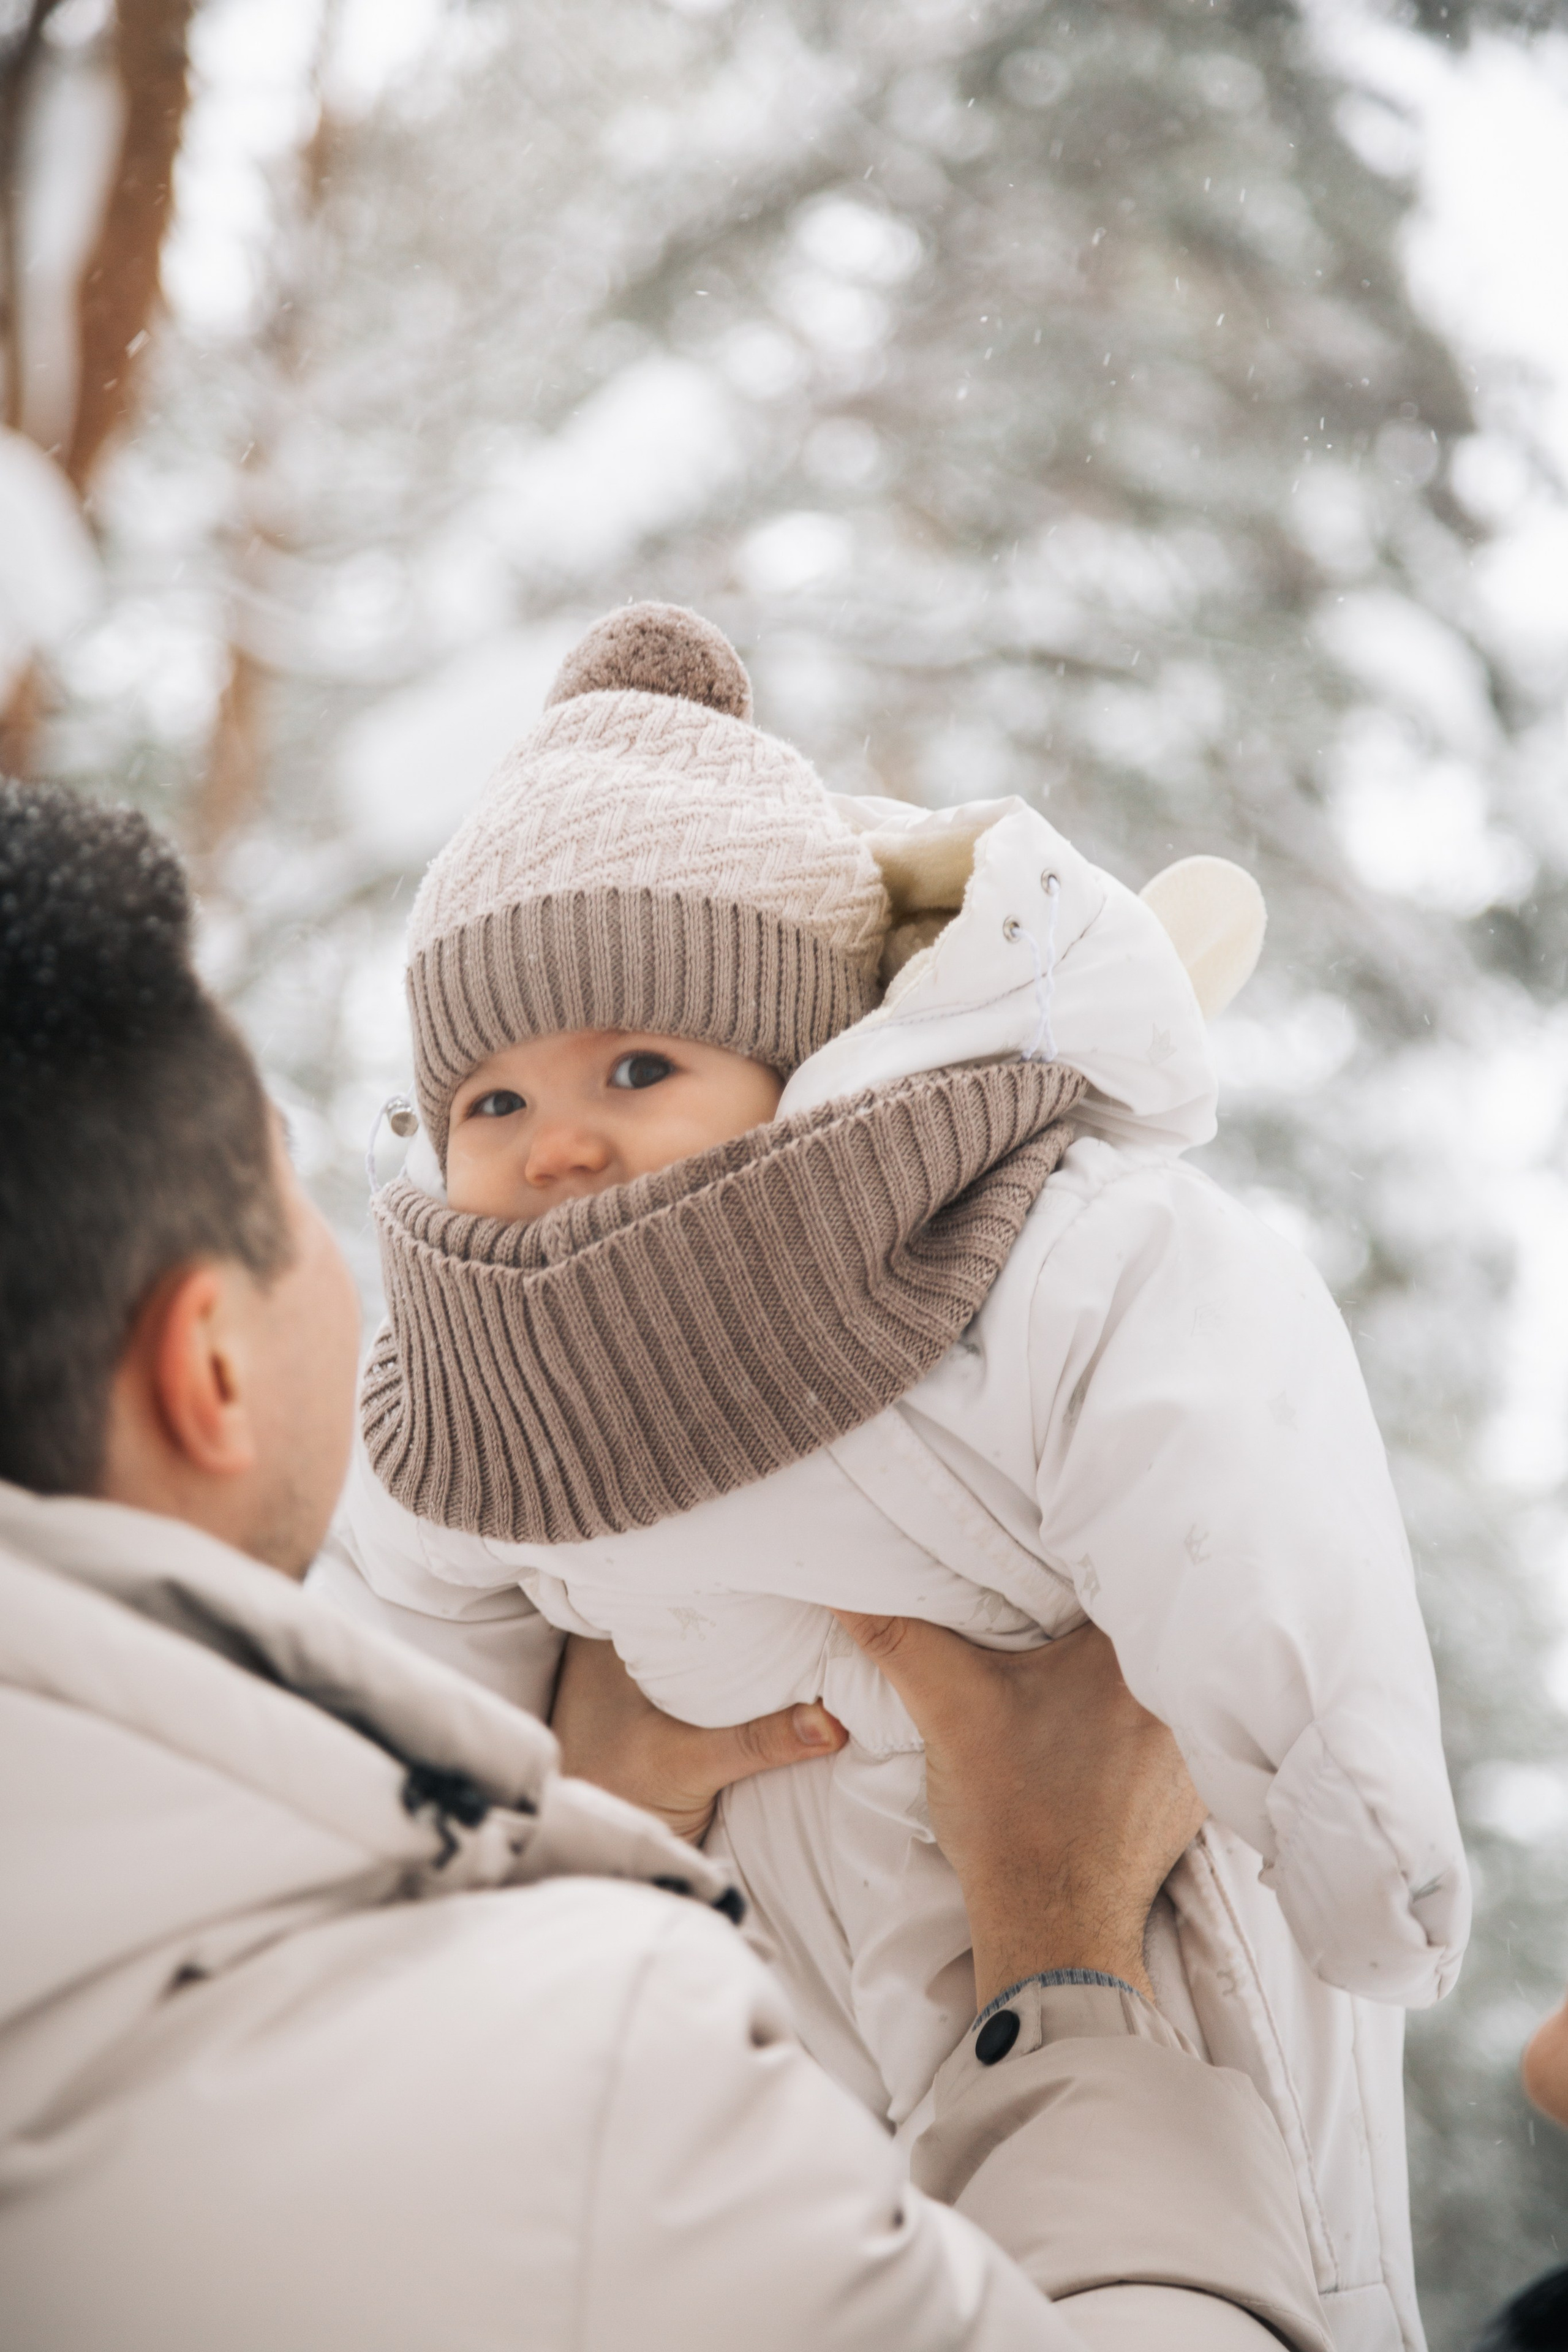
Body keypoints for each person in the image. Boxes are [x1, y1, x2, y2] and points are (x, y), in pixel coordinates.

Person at [0, 777, 1332, 2348]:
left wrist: (559, 1822)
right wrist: (1059, 1959)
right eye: (299, 1191)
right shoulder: (579, 2107)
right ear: (207, 1367)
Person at [320, 601, 1466, 2350]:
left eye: (642, 1067)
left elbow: (1228, 1459)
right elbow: (404, 1651)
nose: (557, 1139)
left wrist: (1339, 1805)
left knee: (1208, 2233)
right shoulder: (458, 1377)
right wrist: (462, 1870)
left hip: (1108, 1846)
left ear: (798, 1065)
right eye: (487, 1100)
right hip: (759, 1926)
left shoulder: (998, 1237)